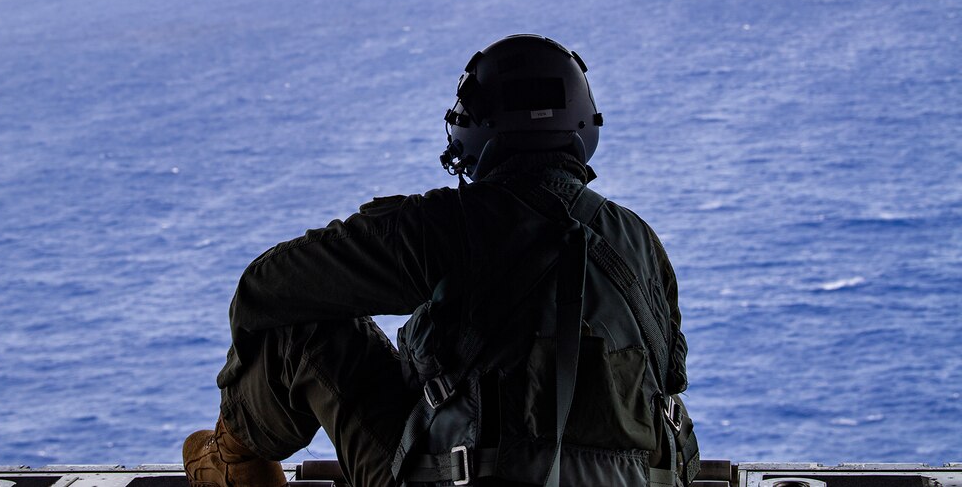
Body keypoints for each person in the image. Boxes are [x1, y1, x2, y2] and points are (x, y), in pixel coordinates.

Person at [183, 34, 694, 487]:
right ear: (585, 126)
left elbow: (265, 287)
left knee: (300, 334)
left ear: (468, 132)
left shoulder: (444, 227)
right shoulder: (641, 243)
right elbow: (669, 386)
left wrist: (239, 381)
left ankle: (230, 462)